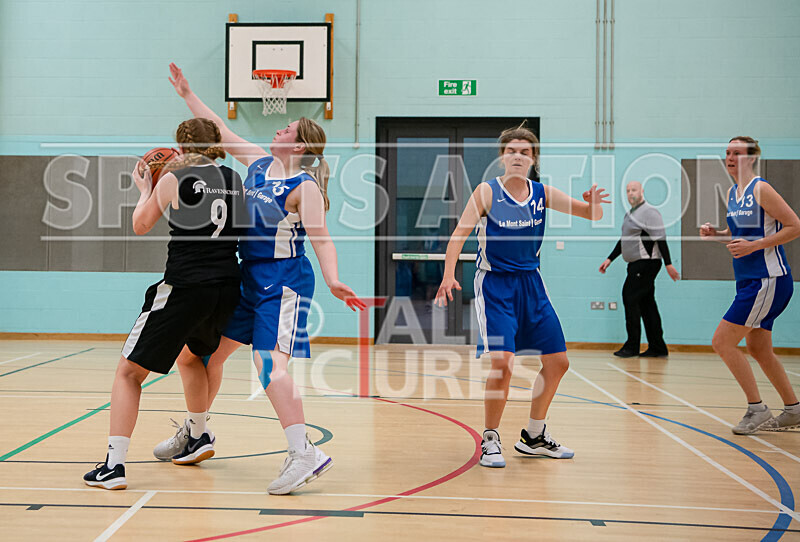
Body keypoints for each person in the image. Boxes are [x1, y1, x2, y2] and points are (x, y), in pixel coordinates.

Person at [153, 63, 367, 495]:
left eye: (286, 128)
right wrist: (187, 94)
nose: (279, 130)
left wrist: (333, 280)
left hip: (283, 282)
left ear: (300, 143)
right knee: (203, 357)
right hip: (247, 279)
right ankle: (197, 433)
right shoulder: (258, 163)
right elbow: (218, 129)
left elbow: (323, 241)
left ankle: (303, 451)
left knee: (268, 365)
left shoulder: (304, 186)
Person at [84, 118, 247, 489]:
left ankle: (114, 465)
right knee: (191, 358)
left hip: (185, 286)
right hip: (227, 287)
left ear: (182, 147)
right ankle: (198, 435)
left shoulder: (176, 179)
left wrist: (146, 187)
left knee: (128, 373)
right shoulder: (234, 181)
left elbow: (141, 224)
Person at [435, 123, 610, 468]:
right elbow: (458, 235)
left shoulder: (542, 193)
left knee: (558, 362)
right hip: (495, 286)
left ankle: (534, 436)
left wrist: (592, 205)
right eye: (511, 150)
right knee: (503, 362)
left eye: (524, 151)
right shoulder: (486, 192)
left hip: (532, 283)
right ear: (502, 157)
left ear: (533, 158)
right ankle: (490, 438)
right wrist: (448, 274)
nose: (517, 155)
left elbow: (592, 215)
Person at [700, 136, 800, 434]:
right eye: (728, 152)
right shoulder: (733, 192)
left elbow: (795, 226)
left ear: (752, 157)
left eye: (737, 153)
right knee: (758, 348)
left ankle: (756, 408)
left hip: (767, 280)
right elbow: (737, 236)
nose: (730, 157)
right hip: (750, 282)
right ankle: (794, 410)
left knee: (722, 341)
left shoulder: (761, 188)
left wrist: (756, 247)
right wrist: (716, 234)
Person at [599, 181, 680, 358]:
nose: (630, 193)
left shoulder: (649, 212)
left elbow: (661, 238)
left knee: (629, 297)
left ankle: (632, 346)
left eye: (634, 190)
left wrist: (668, 264)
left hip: (646, 264)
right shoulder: (630, 214)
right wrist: (610, 259)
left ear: (642, 191)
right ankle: (657, 347)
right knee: (646, 304)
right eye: (628, 191)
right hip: (636, 265)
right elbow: (624, 240)